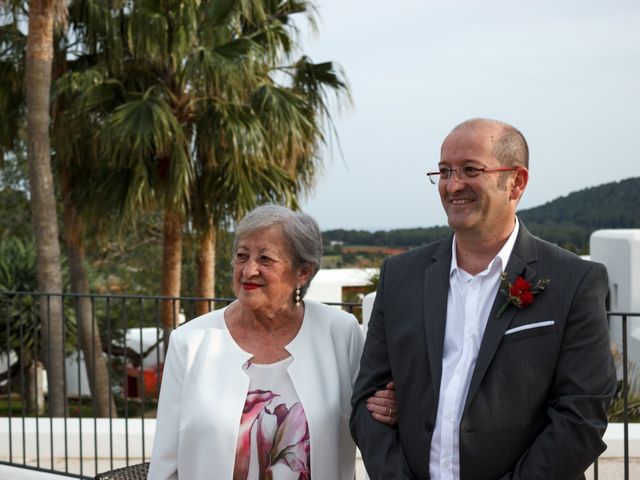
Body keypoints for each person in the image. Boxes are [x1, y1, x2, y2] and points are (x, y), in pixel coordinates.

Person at [350, 118, 617, 479]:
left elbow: (581, 416)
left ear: (516, 182)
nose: (452, 185)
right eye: (444, 171)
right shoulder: (400, 276)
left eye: (470, 170)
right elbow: (367, 404)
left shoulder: (574, 281)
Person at [148, 204, 396, 480]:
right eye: (242, 256)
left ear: (303, 272)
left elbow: (368, 412)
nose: (248, 270)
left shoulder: (340, 332)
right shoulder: (190, 342)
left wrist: (389, 405)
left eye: (265, 259)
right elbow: (165, 461)